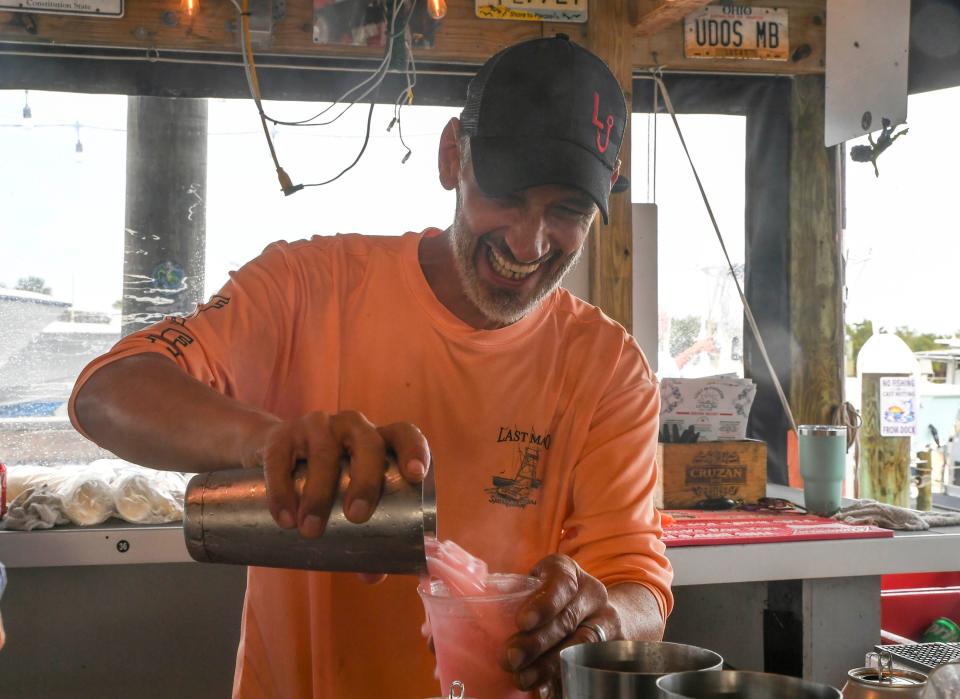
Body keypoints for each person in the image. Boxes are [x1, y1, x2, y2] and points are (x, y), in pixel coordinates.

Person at [69, 35, 673, 699]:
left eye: (568, 211)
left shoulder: (608, 369)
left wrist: (600, 617)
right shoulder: (311, 285)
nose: (530, 242)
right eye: (509, 192)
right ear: (453, 156)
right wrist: (270, 442)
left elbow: (638, 579)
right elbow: (108, 390)